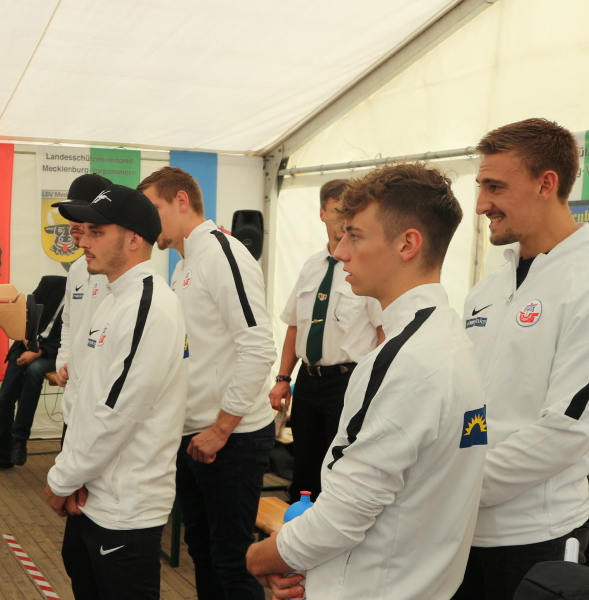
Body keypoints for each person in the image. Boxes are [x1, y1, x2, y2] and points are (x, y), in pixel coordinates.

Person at [247, 162, 487, 599]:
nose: (340, 252)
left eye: (354, 236)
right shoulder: (448, 337)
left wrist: (262, 556)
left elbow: (343, 515)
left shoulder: (401, 360)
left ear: (407, 244)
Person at [452, 118, 589, 599]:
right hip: (459, 534)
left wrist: (456, 488)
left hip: (536, 538)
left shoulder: (585, 282)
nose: (480, 204)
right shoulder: (489, 287)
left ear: (546, 184)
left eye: (495, 187)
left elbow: (567, 431)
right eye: (480, 186)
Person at [140, 166, 277, 599]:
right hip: (197, 436)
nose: (147, 221)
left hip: (230, 440)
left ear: (182, 201)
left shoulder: (224, 254)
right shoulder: (186, 264)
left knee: (234, 565)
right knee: (204, 553)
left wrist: (221, 428)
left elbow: (258, 345)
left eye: (153, 209)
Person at [46, 184, 188, 600]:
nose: (83, 241)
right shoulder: (114, 298)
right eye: (84, 231)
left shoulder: (149, 306)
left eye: (96, 232)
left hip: (125, 508)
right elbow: (86, 399)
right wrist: (74, 474)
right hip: (94, 493)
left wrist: (62, 479)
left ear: (133, 239)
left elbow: (117, 414)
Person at [268, 179, 383, 502]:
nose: (342, 221)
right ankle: (298, 528)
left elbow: (382, 333)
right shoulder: (311, 266)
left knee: (340, 466)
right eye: (336, 212)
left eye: (349, 213)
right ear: (321, 214)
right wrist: (282, 379)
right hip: (308, 381)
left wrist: (375, 389)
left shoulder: (365, 268)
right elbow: (294, 325)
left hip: (347, 382)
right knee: (303, 465)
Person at [0, 273, 66, 471]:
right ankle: (2, 456)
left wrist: (40, 352)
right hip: (28, 345)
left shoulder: (87, 298)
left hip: (54, 352)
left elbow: (72, 336)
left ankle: (19, 438)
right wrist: (30, 343)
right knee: (3, 401)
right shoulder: (52, 283)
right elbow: (24, 313)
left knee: (34, 371)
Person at [52, 173, 112, 440]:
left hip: (101, 412)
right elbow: (69, 322)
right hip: (73, 405)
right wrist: (64, 360)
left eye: (81, 213)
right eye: (71, 214)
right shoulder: (76, 269)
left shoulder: (118, 272)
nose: (73, 223)